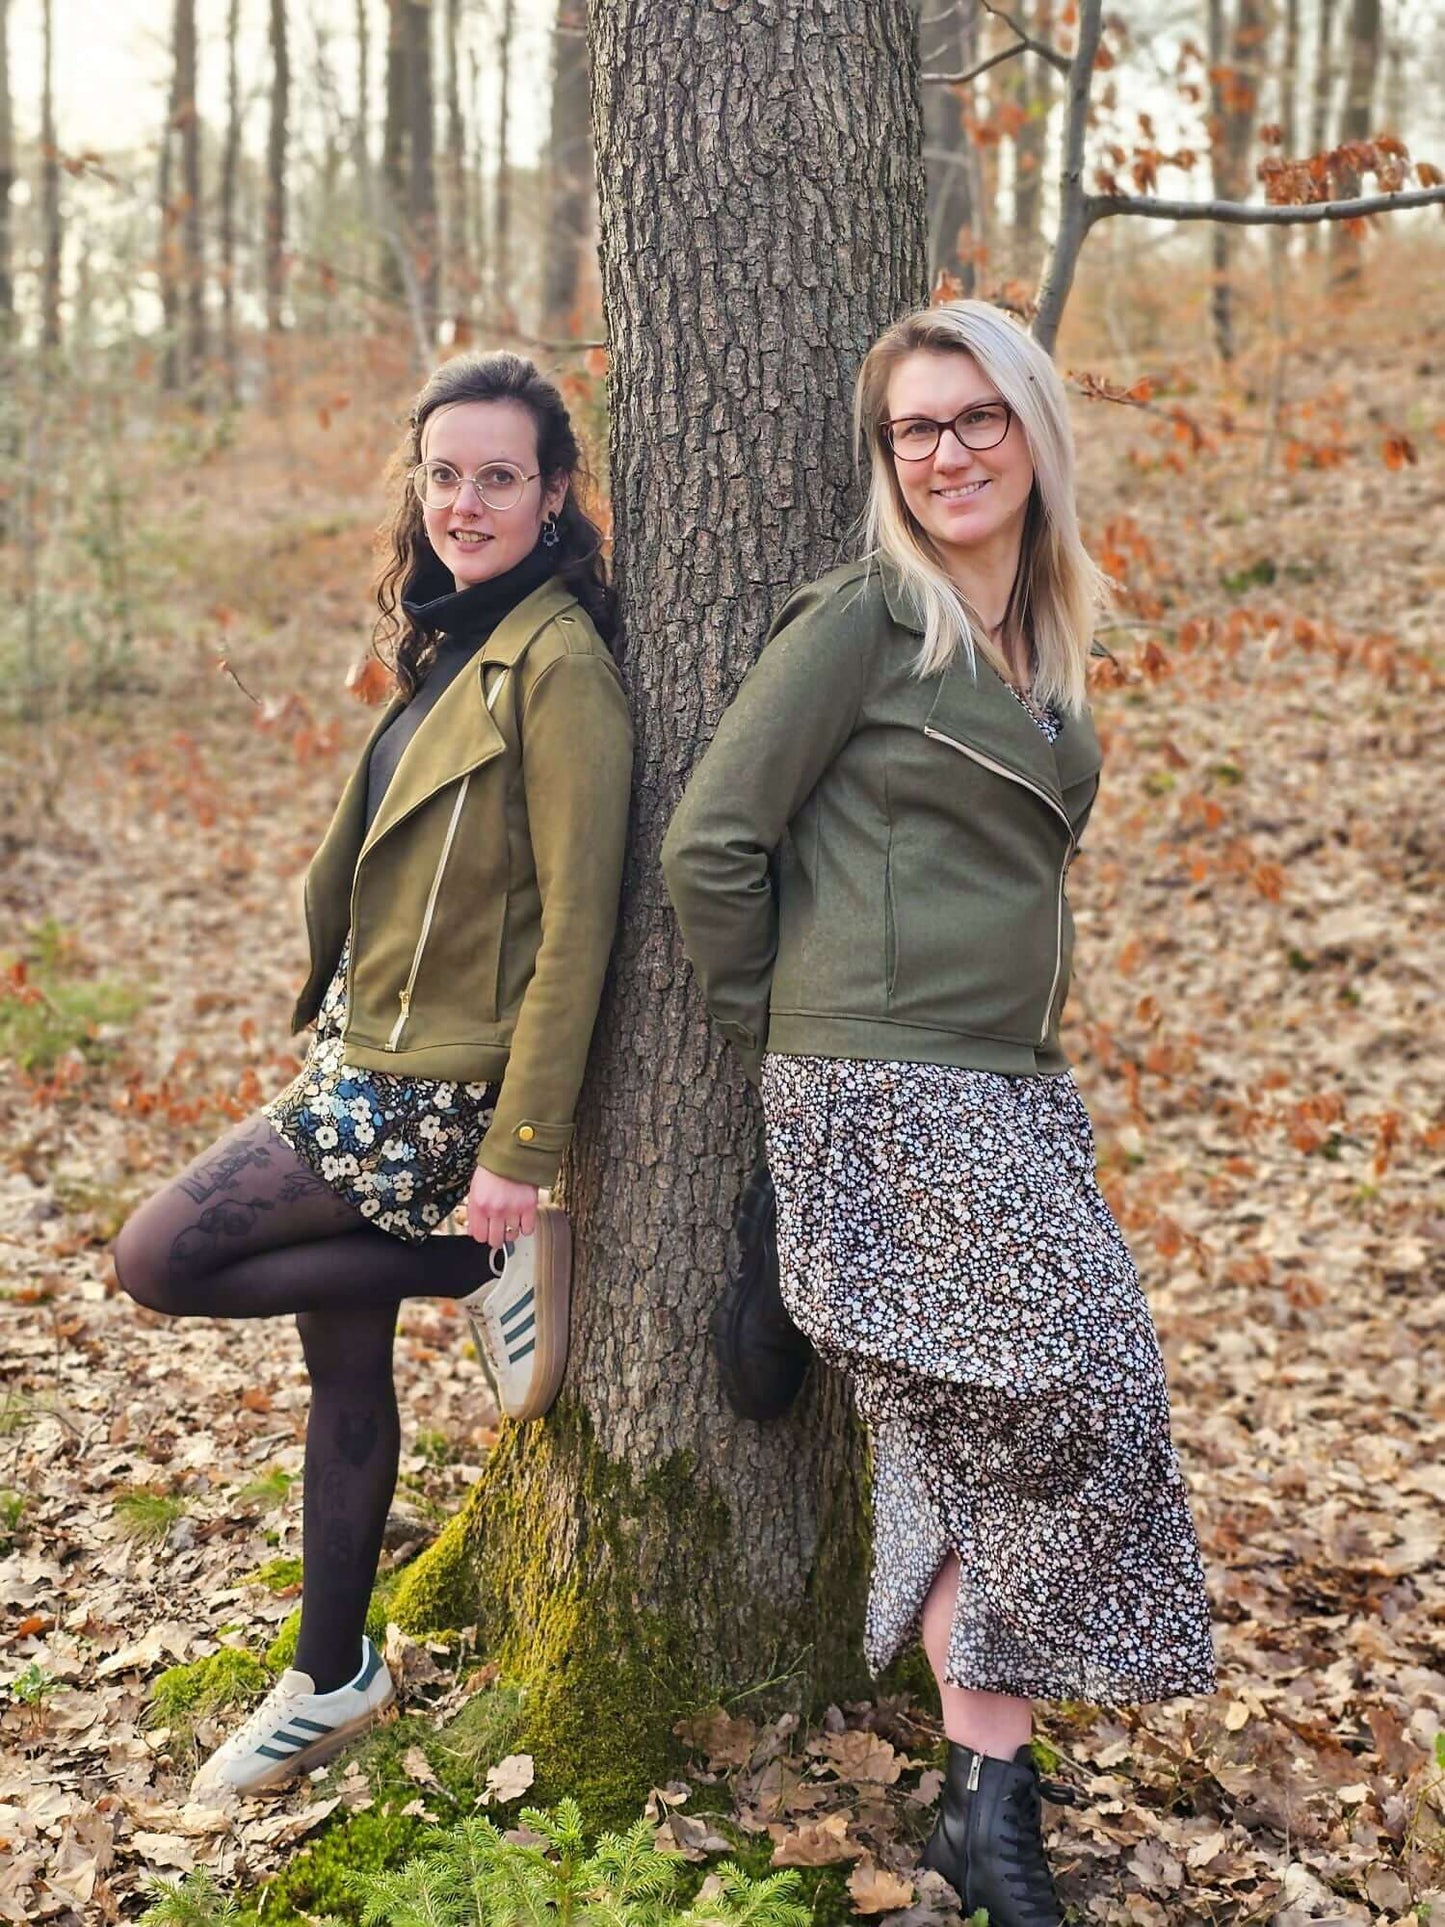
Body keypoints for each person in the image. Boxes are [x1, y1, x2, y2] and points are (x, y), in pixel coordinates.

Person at [662, 301, 1215, 1927]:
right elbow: (712, 842)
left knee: (959, 1437)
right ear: (887, 461)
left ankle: (989, 1812)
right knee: (1086, 1383)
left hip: (1018, 1094)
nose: (951, 452)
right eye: (917, 428)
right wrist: (796, 1050)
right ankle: (788, 1229)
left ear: (1033, 433)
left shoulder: (1046, 649)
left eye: (978, 419)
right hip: (885, 1086)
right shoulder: (860, 625)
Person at [113, 351, 633, 1798]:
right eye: (444, 473)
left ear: (553, 493)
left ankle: (473, 1268)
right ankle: (330, 1672)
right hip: (365, 1045)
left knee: (159, 1258)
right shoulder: (451, 637)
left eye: (499, 477)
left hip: (434, 1089)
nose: (466, 502)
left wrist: (518, 1157)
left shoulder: (560, 667)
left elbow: (584, 921)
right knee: (341, 1373)